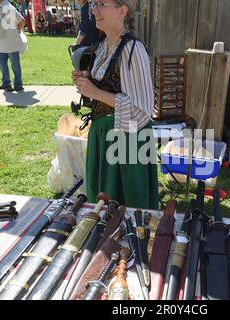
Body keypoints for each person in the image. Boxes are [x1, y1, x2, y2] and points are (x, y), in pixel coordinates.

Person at [72, 0, 158, 210]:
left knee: (126, 203)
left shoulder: (133, 50)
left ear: (122, 11)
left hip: (127, 138)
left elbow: (143, 110)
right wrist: (87, 79)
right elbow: (112, 84)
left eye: (101, 4)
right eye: (94, 3)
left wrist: (96, 92)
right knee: (103, 203)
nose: (94, 9)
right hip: (103, 135)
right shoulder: (104, 46)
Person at [0, 0, 26, 91]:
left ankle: (18, 85)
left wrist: (17, 31)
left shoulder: (7, 6)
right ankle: (6, 83)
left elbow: (21, 21)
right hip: (0, 42)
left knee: (15, 65)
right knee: (1, 63)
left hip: (11, 43)